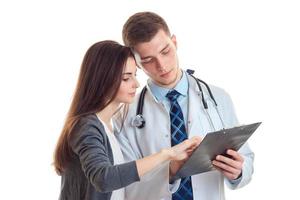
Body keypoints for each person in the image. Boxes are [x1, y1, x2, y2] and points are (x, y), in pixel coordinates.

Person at [113, 12, 254, 200]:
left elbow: (247, 160)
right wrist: (169, 173)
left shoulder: (218, 99)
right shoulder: (124, 116)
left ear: (175, 42)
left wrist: (238, 171)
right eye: (147, 60)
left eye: (165, 51)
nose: (161, 65)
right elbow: (126, 187)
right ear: (135, 62)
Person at [53, 40, 201, 200]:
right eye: (126, 78)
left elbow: (123, 186)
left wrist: (171, 169)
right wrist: (168, 153)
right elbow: (104, 179)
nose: (136, 84)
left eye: (135, 75)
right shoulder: (86, 126)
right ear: (103, 80)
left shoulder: (108, 125)